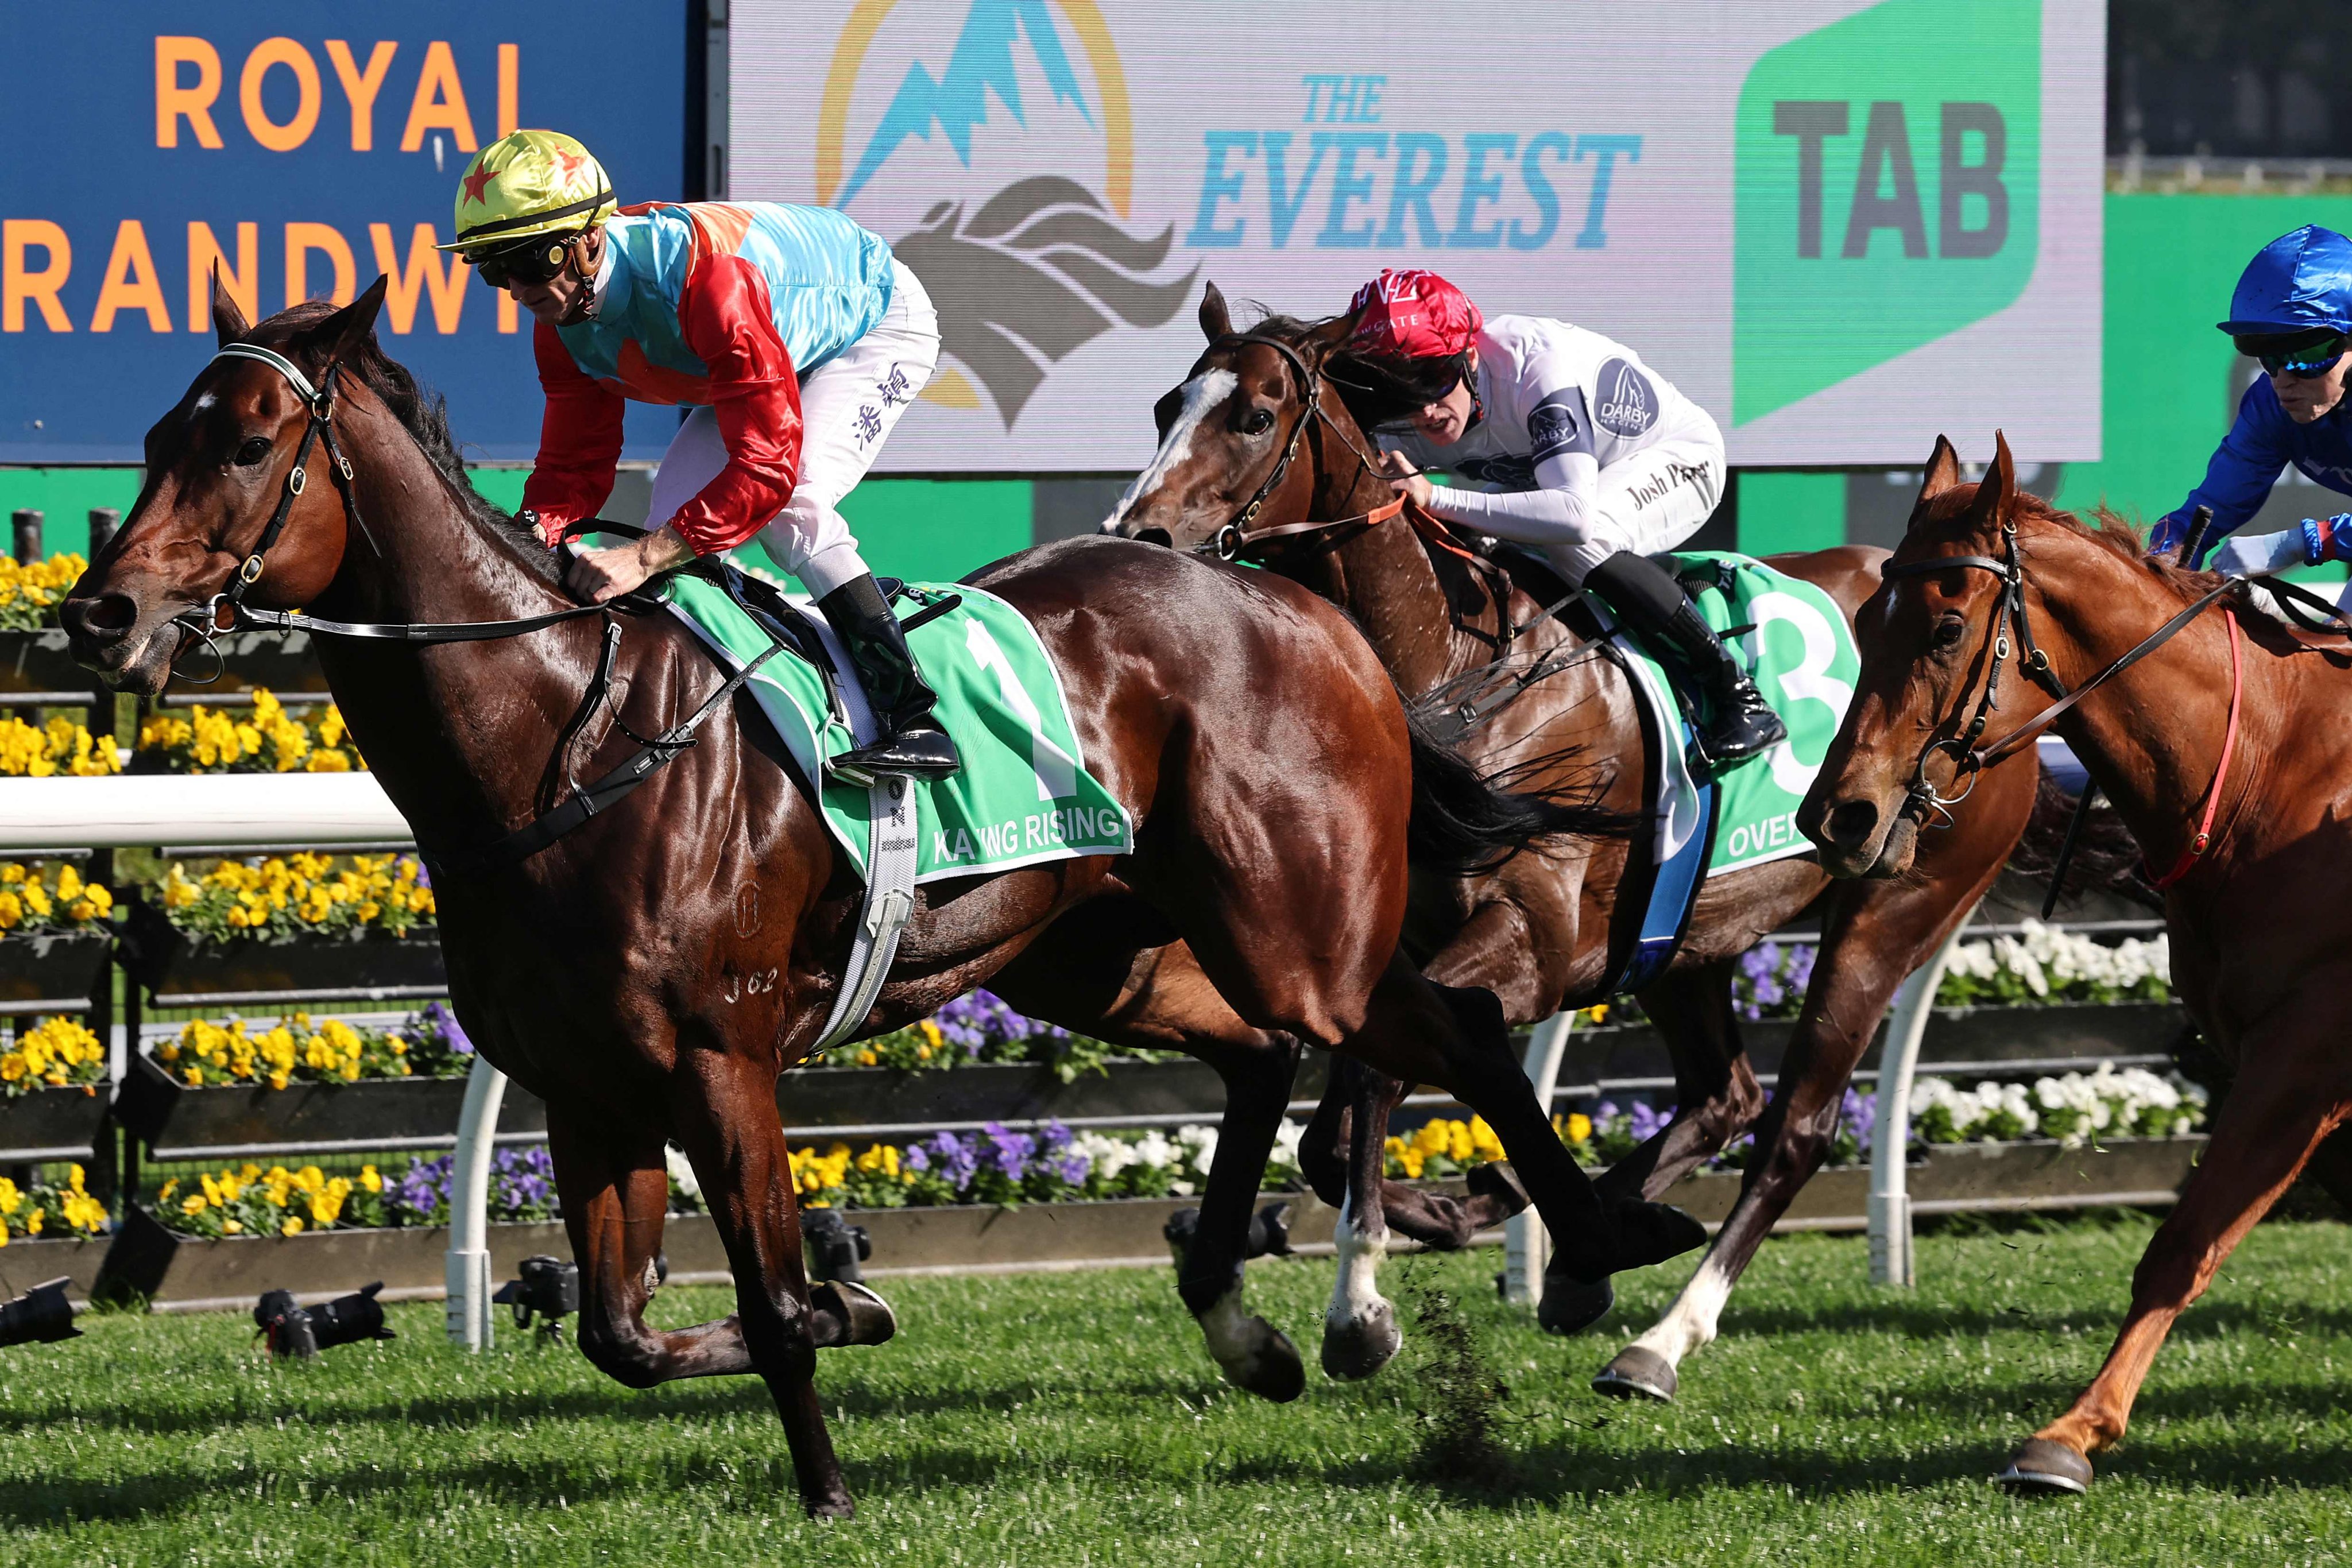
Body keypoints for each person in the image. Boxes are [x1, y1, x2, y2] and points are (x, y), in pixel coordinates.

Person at [443, 129, 957, 783]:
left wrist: (642, 556)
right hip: (762, 347)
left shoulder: (708, 284)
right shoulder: (561, 327)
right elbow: (573, 467)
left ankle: (912, 714)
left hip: (871, 323)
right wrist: (527, 538)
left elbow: (766, 471)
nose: (518, 289)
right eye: (495, 269)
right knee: (672, 528)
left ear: (589, 240)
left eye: (530, 260)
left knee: (789, 503)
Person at [1335, 268, 1784, 775]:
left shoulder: (1534, 368)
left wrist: (1434, 495)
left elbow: (1573, 516)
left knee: (1579, 544)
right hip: (1556, 479)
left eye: (1435, 380)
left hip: (1677, 457)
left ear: (1471, 356)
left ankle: (1738, 695)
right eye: (1402, 392)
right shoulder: (1399, 411)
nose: (1425, 410)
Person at [2152, 224, 2352, 587]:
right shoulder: (2270, 405)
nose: (2283, 380)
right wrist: (2163, 560)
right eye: (2269, 359)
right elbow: (2205, 513)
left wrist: (2299, 542)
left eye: (2307, 355)